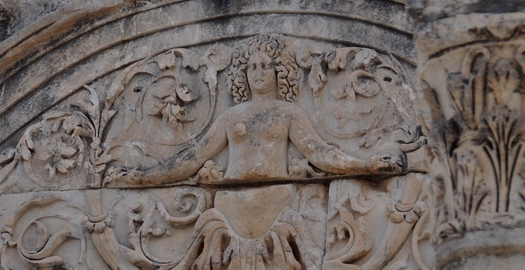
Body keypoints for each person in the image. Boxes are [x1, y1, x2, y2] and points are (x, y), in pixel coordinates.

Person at [117, 34, 396, 186]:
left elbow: (318, 152)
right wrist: (145, 176)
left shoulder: (288, 113)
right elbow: (194, 156)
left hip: (279, 199)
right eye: (252, 67)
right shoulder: (230, 116)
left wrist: (364, 164)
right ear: (242, 73)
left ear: (281, 71)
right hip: (229, 196)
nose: (258, 73)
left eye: (266, 66)